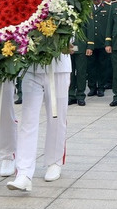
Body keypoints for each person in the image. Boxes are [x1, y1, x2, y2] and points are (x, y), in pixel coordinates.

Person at [7, 53, 70, 191]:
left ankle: (54, 161)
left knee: (57, 117)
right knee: (28, 119)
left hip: (58, 67)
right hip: (31, 67)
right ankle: (24, 172)